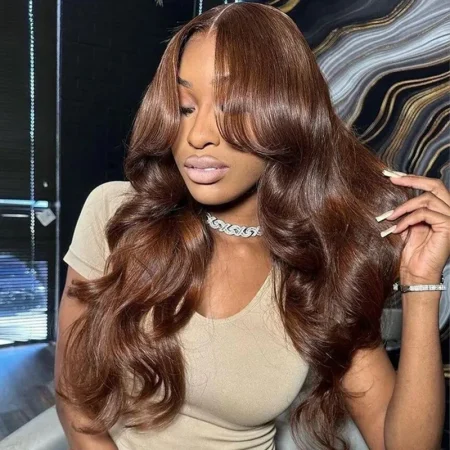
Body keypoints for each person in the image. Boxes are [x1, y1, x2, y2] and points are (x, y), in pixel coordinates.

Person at [54, 3, 449, 450]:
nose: (197, 134)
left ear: (287, 115)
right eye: (185, 107)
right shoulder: (117, 215)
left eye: (232, 108)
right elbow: (75, 397)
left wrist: (421, 285)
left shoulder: (322, 270)